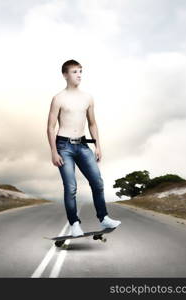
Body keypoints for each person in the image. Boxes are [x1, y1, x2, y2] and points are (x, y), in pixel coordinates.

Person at [46, 59, 121, 237]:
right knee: (71, 188)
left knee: (98, 182)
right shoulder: (58, 98)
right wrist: (54, 152)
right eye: (74, 71)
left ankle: (104, 218)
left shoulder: (88, 97)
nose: (79, 75)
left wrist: (98, 146)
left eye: (80, 71)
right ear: (65, 75)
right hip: (63, 146)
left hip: (83, 145)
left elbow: (93, 123)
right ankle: (74, 224)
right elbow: (50, 127)